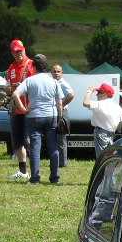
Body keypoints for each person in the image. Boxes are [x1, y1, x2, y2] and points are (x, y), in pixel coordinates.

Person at [12, 54, 72, 184]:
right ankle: (54, 177)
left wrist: (22, 109)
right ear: (47, 66)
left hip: (34, 116)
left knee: (35, 148)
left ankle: (35, 178)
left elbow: (15, 94)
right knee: (53, 147)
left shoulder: (29, 80)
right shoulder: (54, 81)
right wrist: (60, 117)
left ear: (33, 66)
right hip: (51, 116)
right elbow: (59, 102)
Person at [5, 39, 36, 180]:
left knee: (30, 141)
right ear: (11, 53)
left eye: (20, 51)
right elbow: (8, 89)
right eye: (16, 52)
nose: (19, 54)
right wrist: (10, 88)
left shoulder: (31, 65)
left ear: (24, 49)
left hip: (30, 109)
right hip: (17, 110)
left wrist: (23, 86)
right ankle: (23, 171)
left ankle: (35, 171)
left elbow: (37, 86)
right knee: (18, 141)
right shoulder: (11, 68)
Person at [83, 82, 122, 159]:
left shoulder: (100, 103)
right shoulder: (116, 106)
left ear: (104, 94)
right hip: (111, 133)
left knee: (101, 157)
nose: (96, 94)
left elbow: (85, 103)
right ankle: (109, 171)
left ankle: (102, 171)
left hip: (101, 133)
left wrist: (89, 91)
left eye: (99, 92)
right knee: (110, 156)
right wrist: (116, 129)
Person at [51, 64, 75, 167]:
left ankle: (63, 162)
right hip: (55, 112)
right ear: (51, 73)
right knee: (55, 138)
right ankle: (57, 161)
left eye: (58, 71)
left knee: (61, 138)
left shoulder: (63, 83)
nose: (56, 73)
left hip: (62, 113)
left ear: (62, 73)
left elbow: (71, 94)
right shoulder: (53, 82)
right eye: (54, 71)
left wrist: (61, 105)